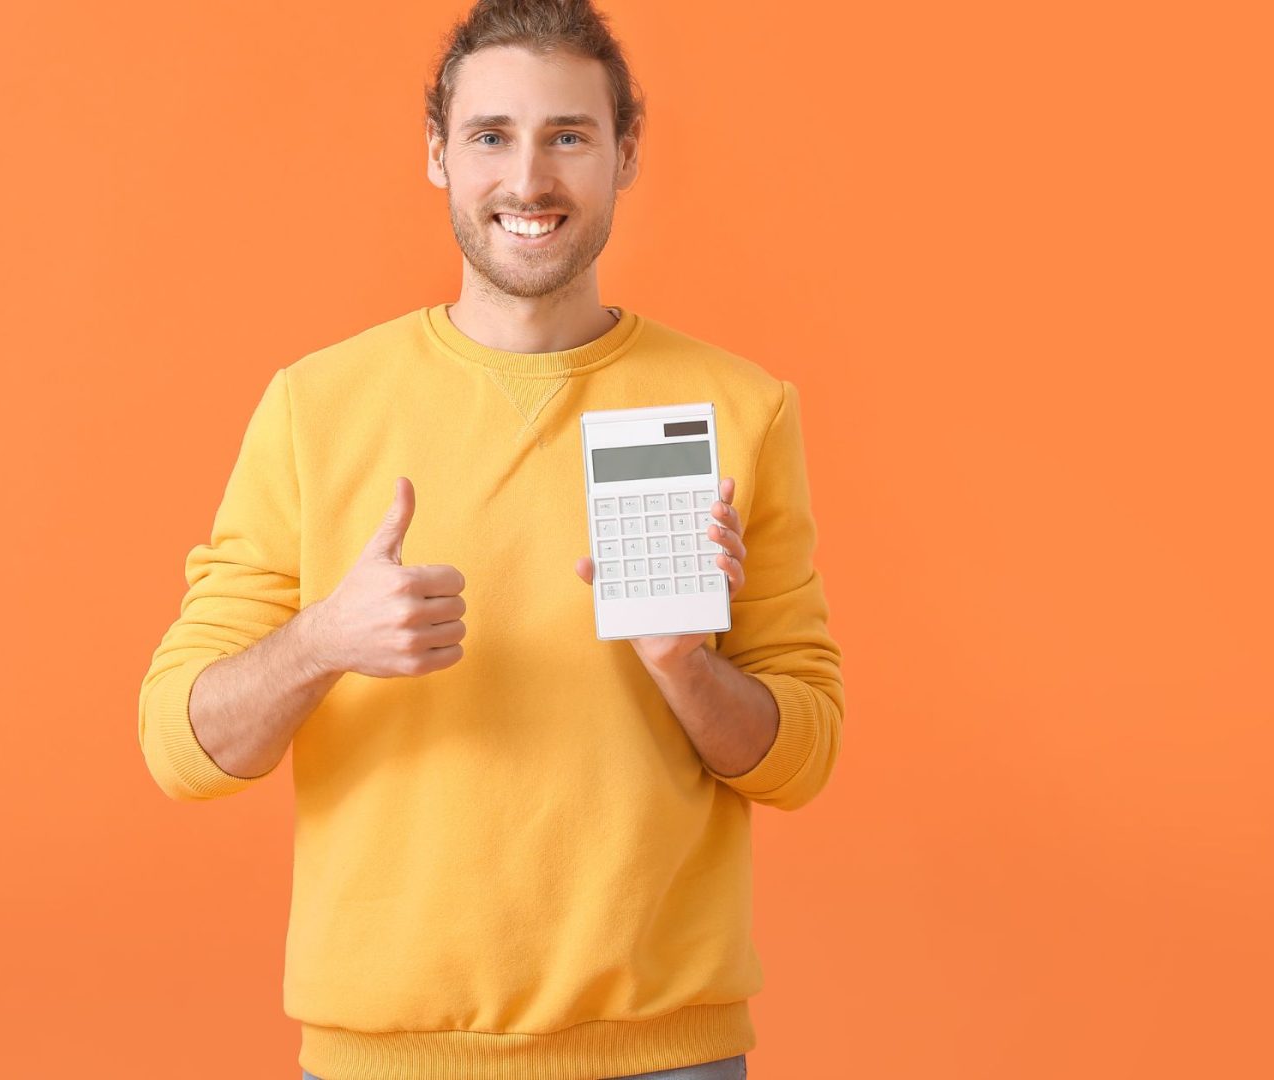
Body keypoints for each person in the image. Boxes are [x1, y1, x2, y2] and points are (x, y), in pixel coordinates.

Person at [136, 1, 842, 1076]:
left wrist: (685, 667)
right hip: (388, 1058)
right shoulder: (314, 408)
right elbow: (182, 748)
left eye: (569, 135)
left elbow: (803, 757)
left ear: (625, 155)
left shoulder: (742, 409)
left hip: (665, 1056)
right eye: (490, 136)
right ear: (437, 155)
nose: (529, 179)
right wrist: (325, 638)